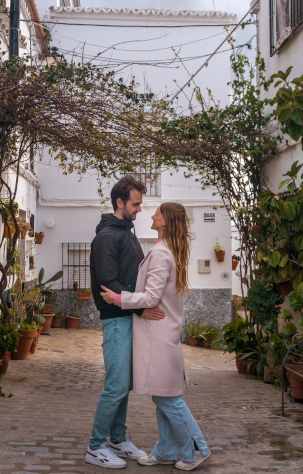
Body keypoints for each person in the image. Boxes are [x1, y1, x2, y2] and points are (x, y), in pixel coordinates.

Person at [101, 202, 211, 471]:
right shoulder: (166, 250)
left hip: (159, 338)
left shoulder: (162, 254)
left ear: (167, 221)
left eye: (158, 213)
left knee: (167, 398)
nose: (152, 215)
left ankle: (197, 449)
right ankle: (166, 451)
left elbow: (151, 297)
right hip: (161, 336)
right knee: (162, 394)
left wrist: (118, 298)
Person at [85, 175, 166, 469]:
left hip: (127, 317)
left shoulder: (125, 231)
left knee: (124, 384)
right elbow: (109, 284)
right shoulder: (108, 236)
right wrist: (141, 309)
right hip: (117, 321)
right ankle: (95, 447)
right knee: (116, 385)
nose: (139, 209)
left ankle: (117, 439)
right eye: (135, 204)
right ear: (120, 203)